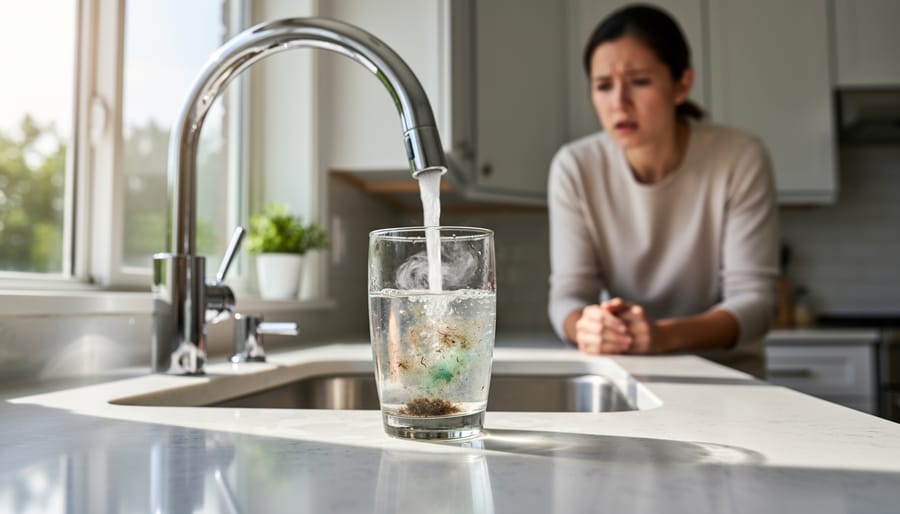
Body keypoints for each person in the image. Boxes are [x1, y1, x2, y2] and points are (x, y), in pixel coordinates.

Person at [547, 4, 779, 377]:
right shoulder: (574, 167)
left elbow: (756, 303)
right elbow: (568, 296)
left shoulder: (739, 157)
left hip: (728, 377)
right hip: (625, 373)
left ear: (682, 84)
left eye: (639, 81)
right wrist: (586, 326)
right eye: (603, 86)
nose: (619, 103)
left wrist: (662, 336)